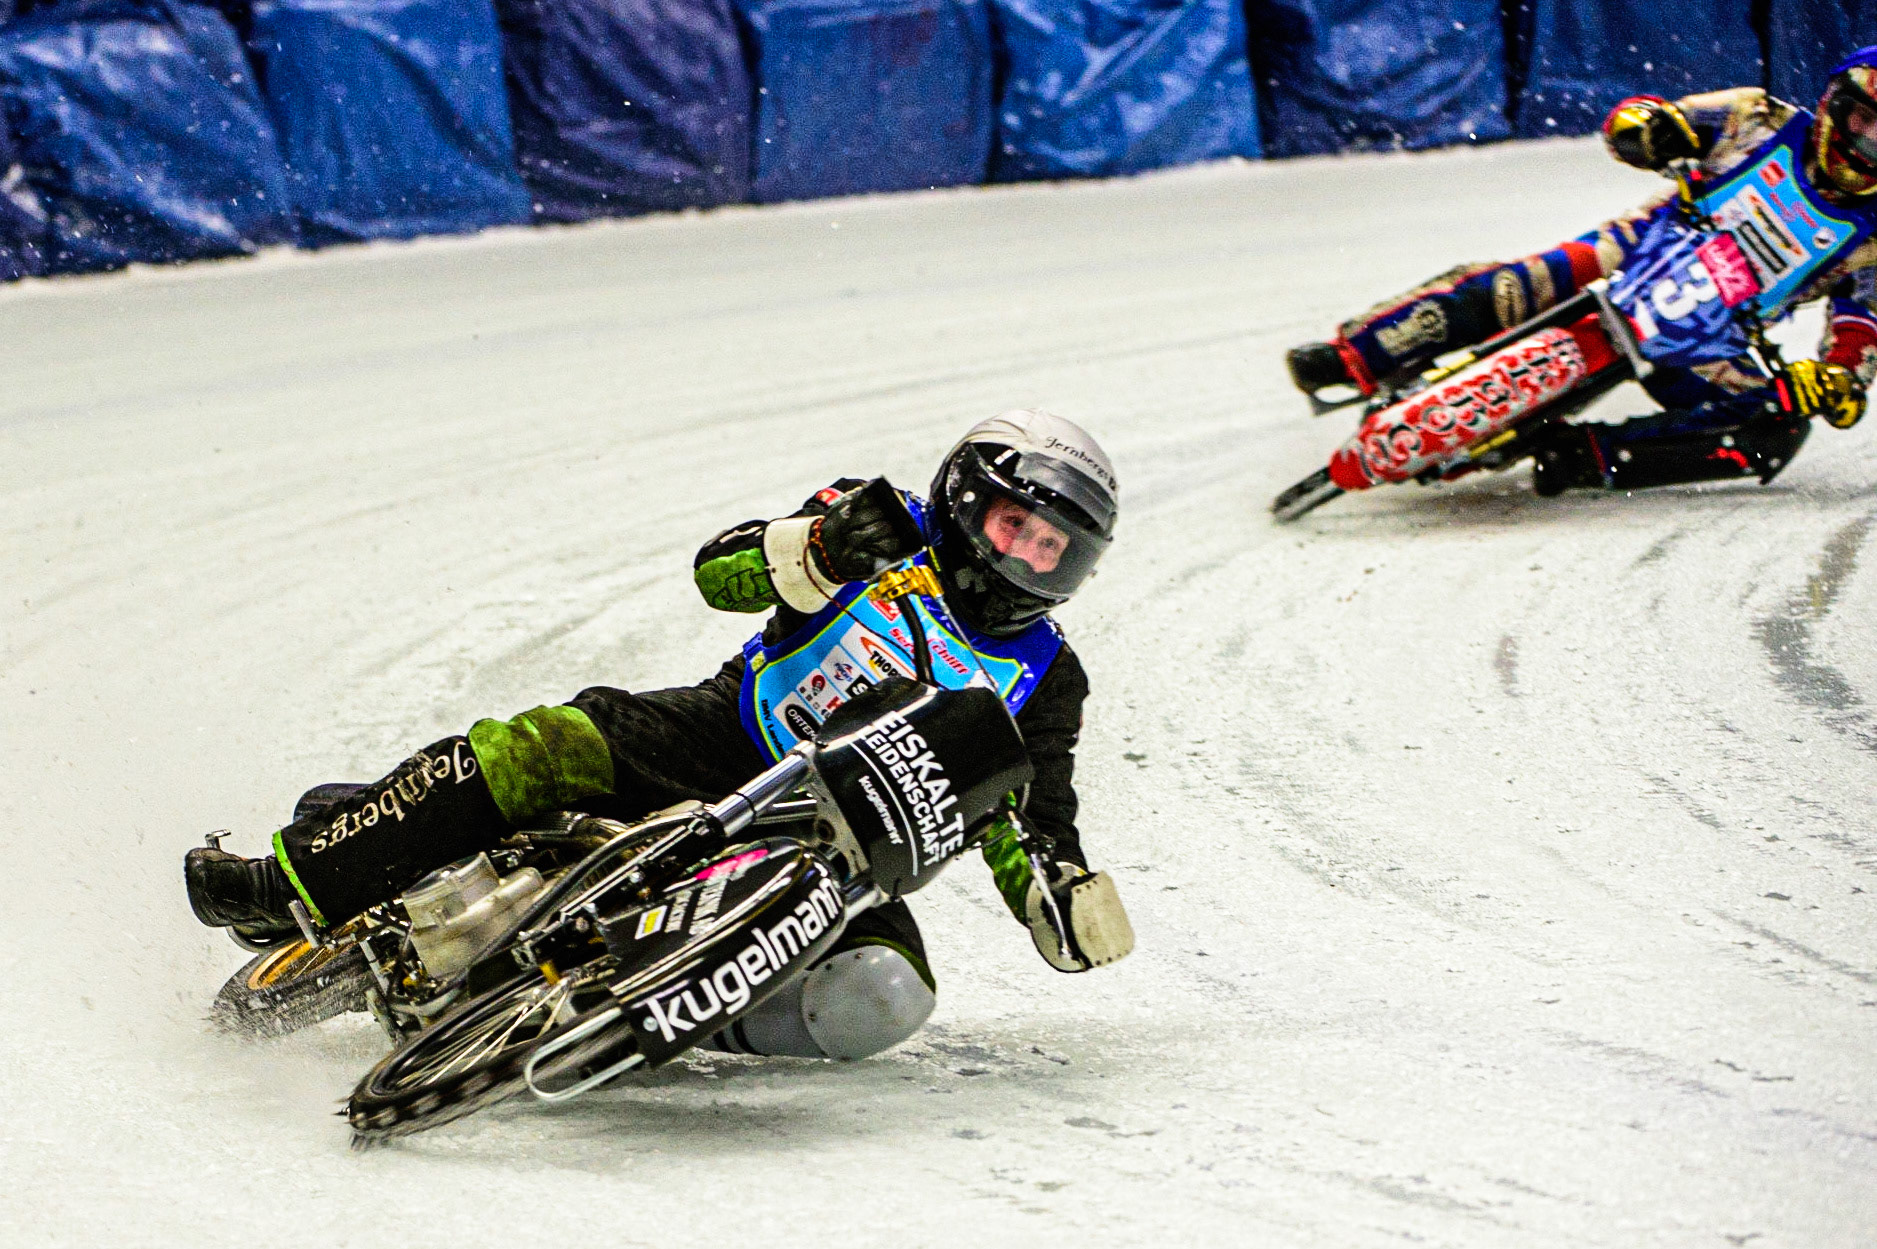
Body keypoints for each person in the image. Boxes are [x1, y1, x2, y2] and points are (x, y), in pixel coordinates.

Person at [185, 410, 1134, 1061]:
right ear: (966, 500)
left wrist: (1056, 892)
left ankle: (645, 1034)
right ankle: (288, 881)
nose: (1024, 558)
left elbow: (1028, 807)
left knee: (885, 994)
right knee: (544, 746)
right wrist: (818, 548)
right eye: (1013, 526)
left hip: (837, 850)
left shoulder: (1049, 676)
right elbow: (719, 573)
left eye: (1051, 549)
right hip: (720, 736)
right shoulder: (877, 518)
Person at [1286, 49, 1877, 495]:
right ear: (1833, 105)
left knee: (1773, 431)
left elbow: (1860, 334)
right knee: (1520, 283)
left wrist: (1833, 382)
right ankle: (1357, 354)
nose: (1866, 144)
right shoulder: (1756, 118)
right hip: (1638, 248)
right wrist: (1651, 131)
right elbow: (1634, 123)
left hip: (1712, 336)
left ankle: (1581, 457)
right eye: (1862, 122)